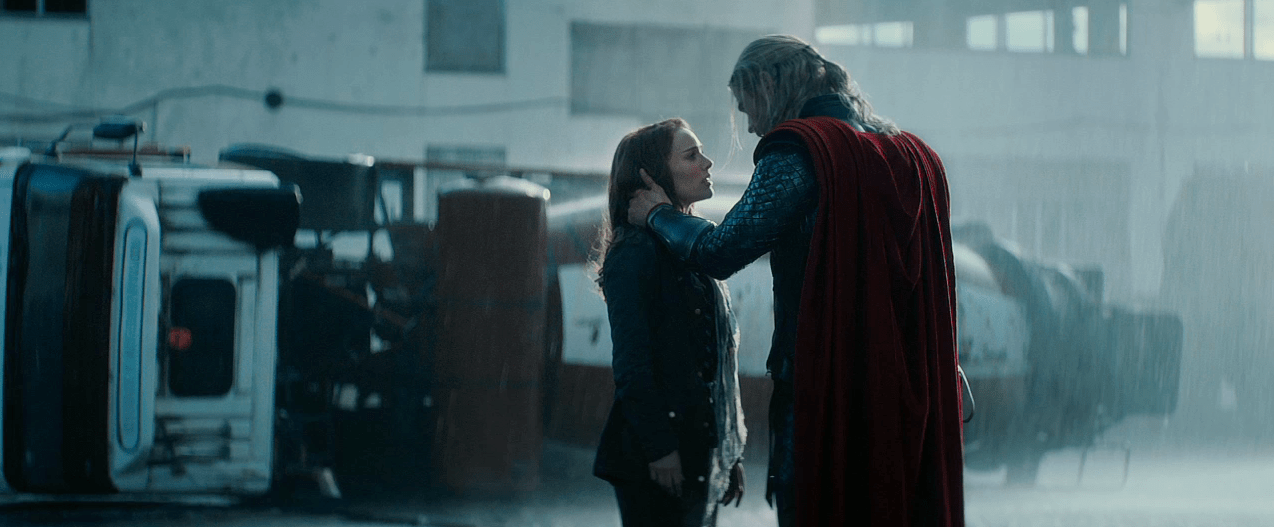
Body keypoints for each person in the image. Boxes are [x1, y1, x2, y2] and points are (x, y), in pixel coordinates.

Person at [628, 35, 965, 527]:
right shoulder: (907, 154)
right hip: (908, 387)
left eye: (747, 106)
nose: (750, 124)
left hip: (828, 386)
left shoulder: (800, 151)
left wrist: (659, 214)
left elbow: (720, 251)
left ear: (768, 84)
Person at [592, 118, 748, 527]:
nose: (707, 163)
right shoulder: (635, 253)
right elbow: (633, 365)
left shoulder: (688, 246)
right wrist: (659, 447)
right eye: (692, 155)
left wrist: (727, 453)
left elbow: (711, 361)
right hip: (656, 453)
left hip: (697, 446)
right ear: (654, 176)